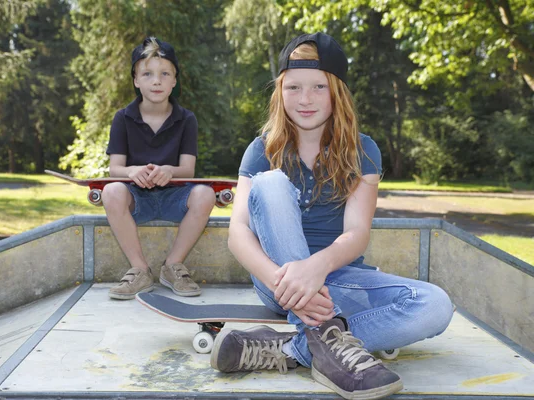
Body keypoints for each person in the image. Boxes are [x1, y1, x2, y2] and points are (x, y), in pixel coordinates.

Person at [210, 33, 454, 400]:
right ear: (280, 91)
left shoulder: (363, 150)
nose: (305, 99)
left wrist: (316, 269)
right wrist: (292, 282)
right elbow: (238, 234)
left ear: (337, 91)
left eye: (318, 87)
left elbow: (356, 233)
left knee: (436, 306)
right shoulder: (261, 150)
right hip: (277, 281)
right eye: (293, 87)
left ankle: (295, 348)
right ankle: (324, 333)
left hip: (338, 279)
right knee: (272, 184)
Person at [102, 37, 216, 300]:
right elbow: (114, 168)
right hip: (136, 199)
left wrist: (169, 170)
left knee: (205, 194)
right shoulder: (122, 118)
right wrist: (131, 171)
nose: (156, 81)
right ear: (135, 80)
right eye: (148, 74)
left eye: (165, 73)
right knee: (111, 192)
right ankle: (140, 270)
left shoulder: (187, 119)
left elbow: (188, 169)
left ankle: (172, 266)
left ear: (174, 81)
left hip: (174, 197)